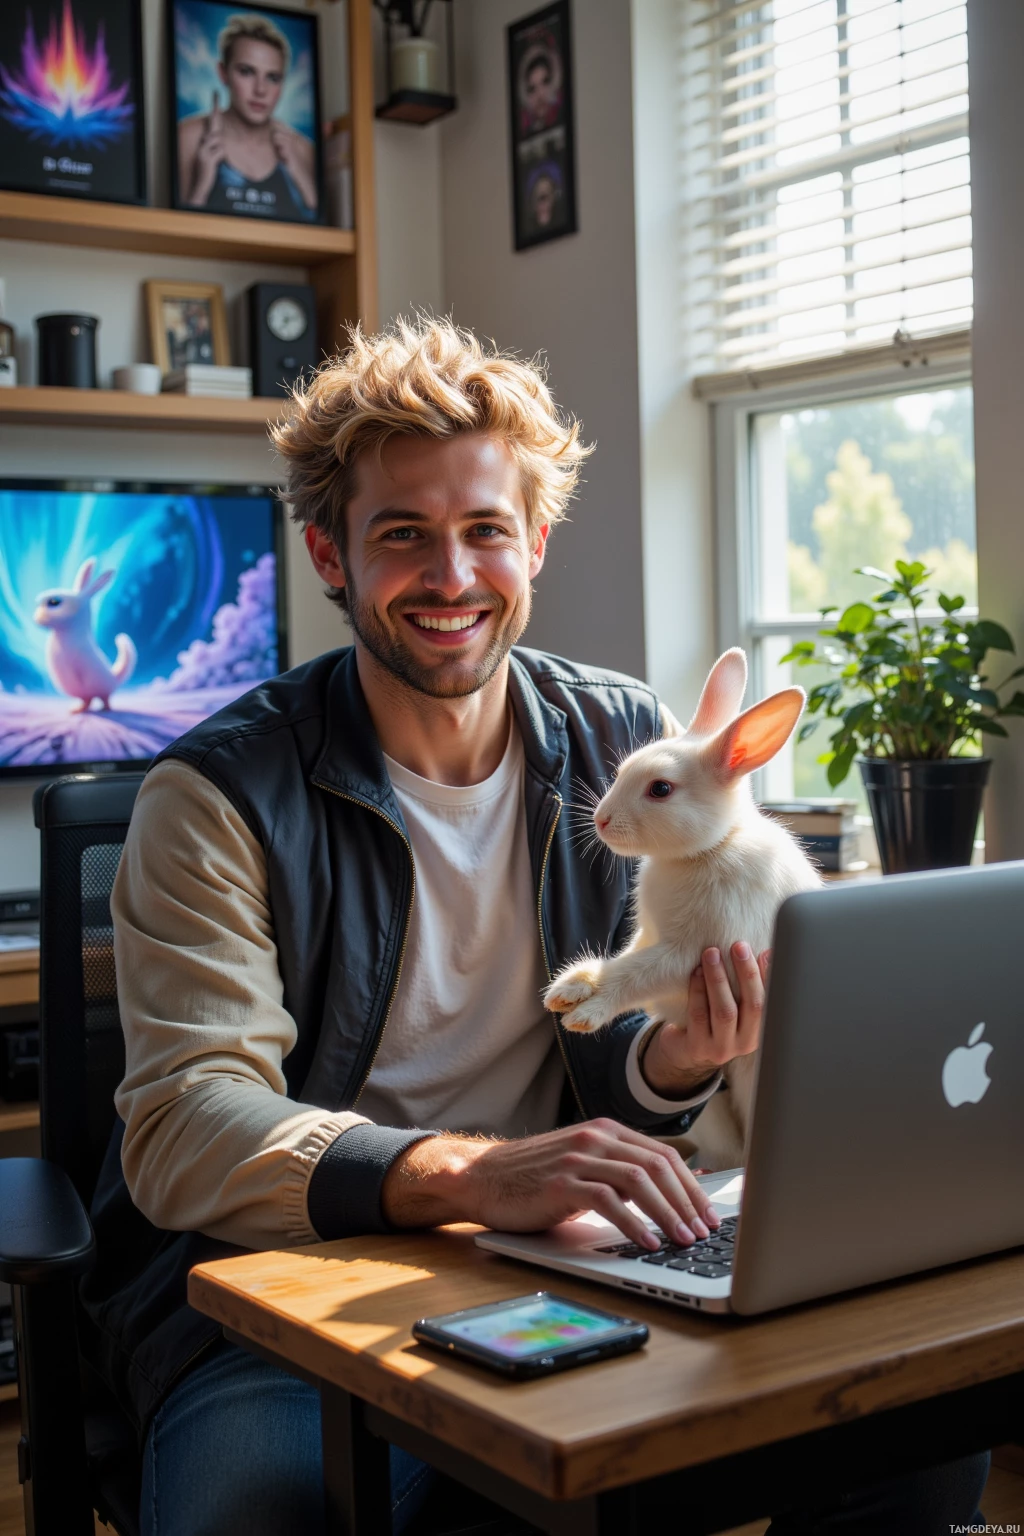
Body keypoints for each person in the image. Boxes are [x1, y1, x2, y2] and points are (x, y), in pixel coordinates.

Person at [85, 318, 989, 1535]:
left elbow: (614, 1056)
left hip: (577, 1265)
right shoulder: (216, 796)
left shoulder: (620, 738)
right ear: (327, 553)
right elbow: (189, 1127)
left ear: (535, 545)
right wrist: (472, 1172)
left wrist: (675, 1059)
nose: (451, 577)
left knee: (918, 1433)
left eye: (484, 532)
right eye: (401, 534)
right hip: (288, 1303)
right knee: (260, 1517)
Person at [177, 12, 317, 221]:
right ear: (223, 73)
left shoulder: (303, 150)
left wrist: (301, 177)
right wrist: (204, 182)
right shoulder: (188, 136)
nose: (260, 90)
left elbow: (319, 230)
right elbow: (181, 232)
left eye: (272, 77)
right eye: (246, 71)